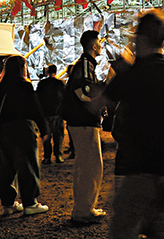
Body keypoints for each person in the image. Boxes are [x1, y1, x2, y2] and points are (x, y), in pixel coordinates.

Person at [105, 10, 164, 239]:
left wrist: (119, 73)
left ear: (140, 39)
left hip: (139, 171)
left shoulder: (132, 75)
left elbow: (96, 104)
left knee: (123, 231)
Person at [0, 55, 48, 216]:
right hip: (22, 128)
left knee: (6, 168)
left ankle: (8, 203)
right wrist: (44, 129)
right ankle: (30, 202)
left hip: (2, 129)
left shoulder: (1, 87)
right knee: (27, 165)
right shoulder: (25, 85)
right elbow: (35, 108)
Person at [63, 30, 106, 225]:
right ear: (93, 46)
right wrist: (105, 90)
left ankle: (83, 208)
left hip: (79, 122)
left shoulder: (84, 64)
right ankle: (84, 211)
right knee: (91, 167)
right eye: (99, 41)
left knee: (84, 166)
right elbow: (84, 91)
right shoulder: (86, 64)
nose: (101, 44)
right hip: (84, 122)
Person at [35, 66, 65, 165]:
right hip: (57, 113)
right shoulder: (60, 83)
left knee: (46, 136)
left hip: (45, 113)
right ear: (56, 72)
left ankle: (47, 157)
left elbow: (37, 98)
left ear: (47, 72)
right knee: (58, 136)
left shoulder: (42, 84)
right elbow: (64, 98)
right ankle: (58, 156)